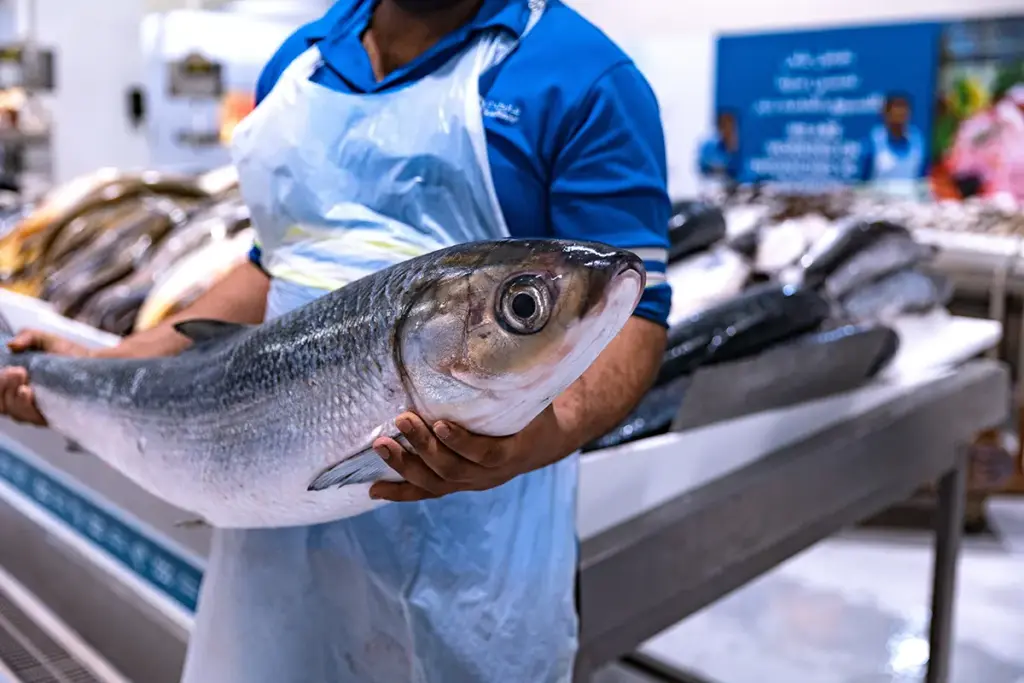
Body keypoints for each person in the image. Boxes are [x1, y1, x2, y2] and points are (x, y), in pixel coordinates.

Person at [0, 1, 671, 681]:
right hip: (271, 523)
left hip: (473, 545)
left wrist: (536, 438)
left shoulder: (587, 78)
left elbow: (633, 313)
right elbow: (274, 263)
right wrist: (110, 363)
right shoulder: (298, 61)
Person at [860, 92, 926, 183]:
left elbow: (922, 177)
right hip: (878, 196)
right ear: (885, 114)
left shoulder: (918, 141)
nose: (900, 115)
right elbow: (864, 180)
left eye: (904, 112)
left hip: (911, 196)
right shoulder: (873, 141)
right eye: (896, 112)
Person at [697, 109, 742, 182]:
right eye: (724, 126)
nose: (728, 130)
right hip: (712, 186)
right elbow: (703, 168)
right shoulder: (708, 146)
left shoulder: (739, 147)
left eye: (731, 126)